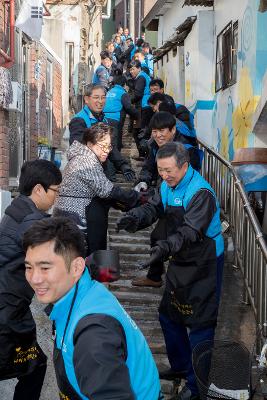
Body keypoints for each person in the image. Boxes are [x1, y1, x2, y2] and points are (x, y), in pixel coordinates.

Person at [117, 142, 224, 400]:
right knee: (169, 315)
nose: (164, 176)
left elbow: (189, 231)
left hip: (204, 263)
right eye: (160, 170)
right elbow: (154, 207)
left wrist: (164, 247)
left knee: (200, 326)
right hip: (180, 259)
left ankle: (197, 386)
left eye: (168, 170)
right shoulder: (167, 186)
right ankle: (180, 367)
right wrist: (135, 217)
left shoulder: (201, 193)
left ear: (185, 166)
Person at [23, 217, 162, 400]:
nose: (34, 279)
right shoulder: (83, 290)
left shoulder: (93, 334)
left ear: (77, 267)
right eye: (28, 267)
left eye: (45, 268)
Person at [0, 159, 62, 400]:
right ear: (38, 189)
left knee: (34, 367)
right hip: (8, 314)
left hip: (11, 308)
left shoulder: (17, 210)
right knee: (34, 367)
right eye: (56, 190)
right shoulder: (30, 220)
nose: (57, 197)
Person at [54, 123, 140, 256]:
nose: (106, 150)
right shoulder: (86, 161)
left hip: (71, 218)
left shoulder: (83, 157)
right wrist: (138, 198)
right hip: (75, 220)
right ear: (89, 143)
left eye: (109, 146)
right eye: (102, 146)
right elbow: (106, 190)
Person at [69, 83, 135, 182]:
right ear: (86, 99)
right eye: (96, 97)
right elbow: (77, 149)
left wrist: (123, 165)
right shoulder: (79, 120)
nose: (100, 101)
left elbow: (110, 146)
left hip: (102, 171)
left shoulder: (104, 119)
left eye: (103, 97)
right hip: (86, 174)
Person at [103, 73, 139, 151]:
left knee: (106, 141)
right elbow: (128, 107)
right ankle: (116, 160)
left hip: (104, 118)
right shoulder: (122, 93)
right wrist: (138, 115)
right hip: (115, 120)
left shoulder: (109, 92)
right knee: (116, 142)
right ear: (125, 84)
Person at [129, 60, 151, 158]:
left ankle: (144, 155)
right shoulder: (144, 76)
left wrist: (128, 102)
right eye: (130, 69)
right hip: (146, 106)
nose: (131, 71)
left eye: (133, 69)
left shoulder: (141, 77)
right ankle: (143, 155)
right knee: (139, 131)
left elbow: (138, 94)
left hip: (144, 107)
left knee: (139, 131)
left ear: (139, 68)